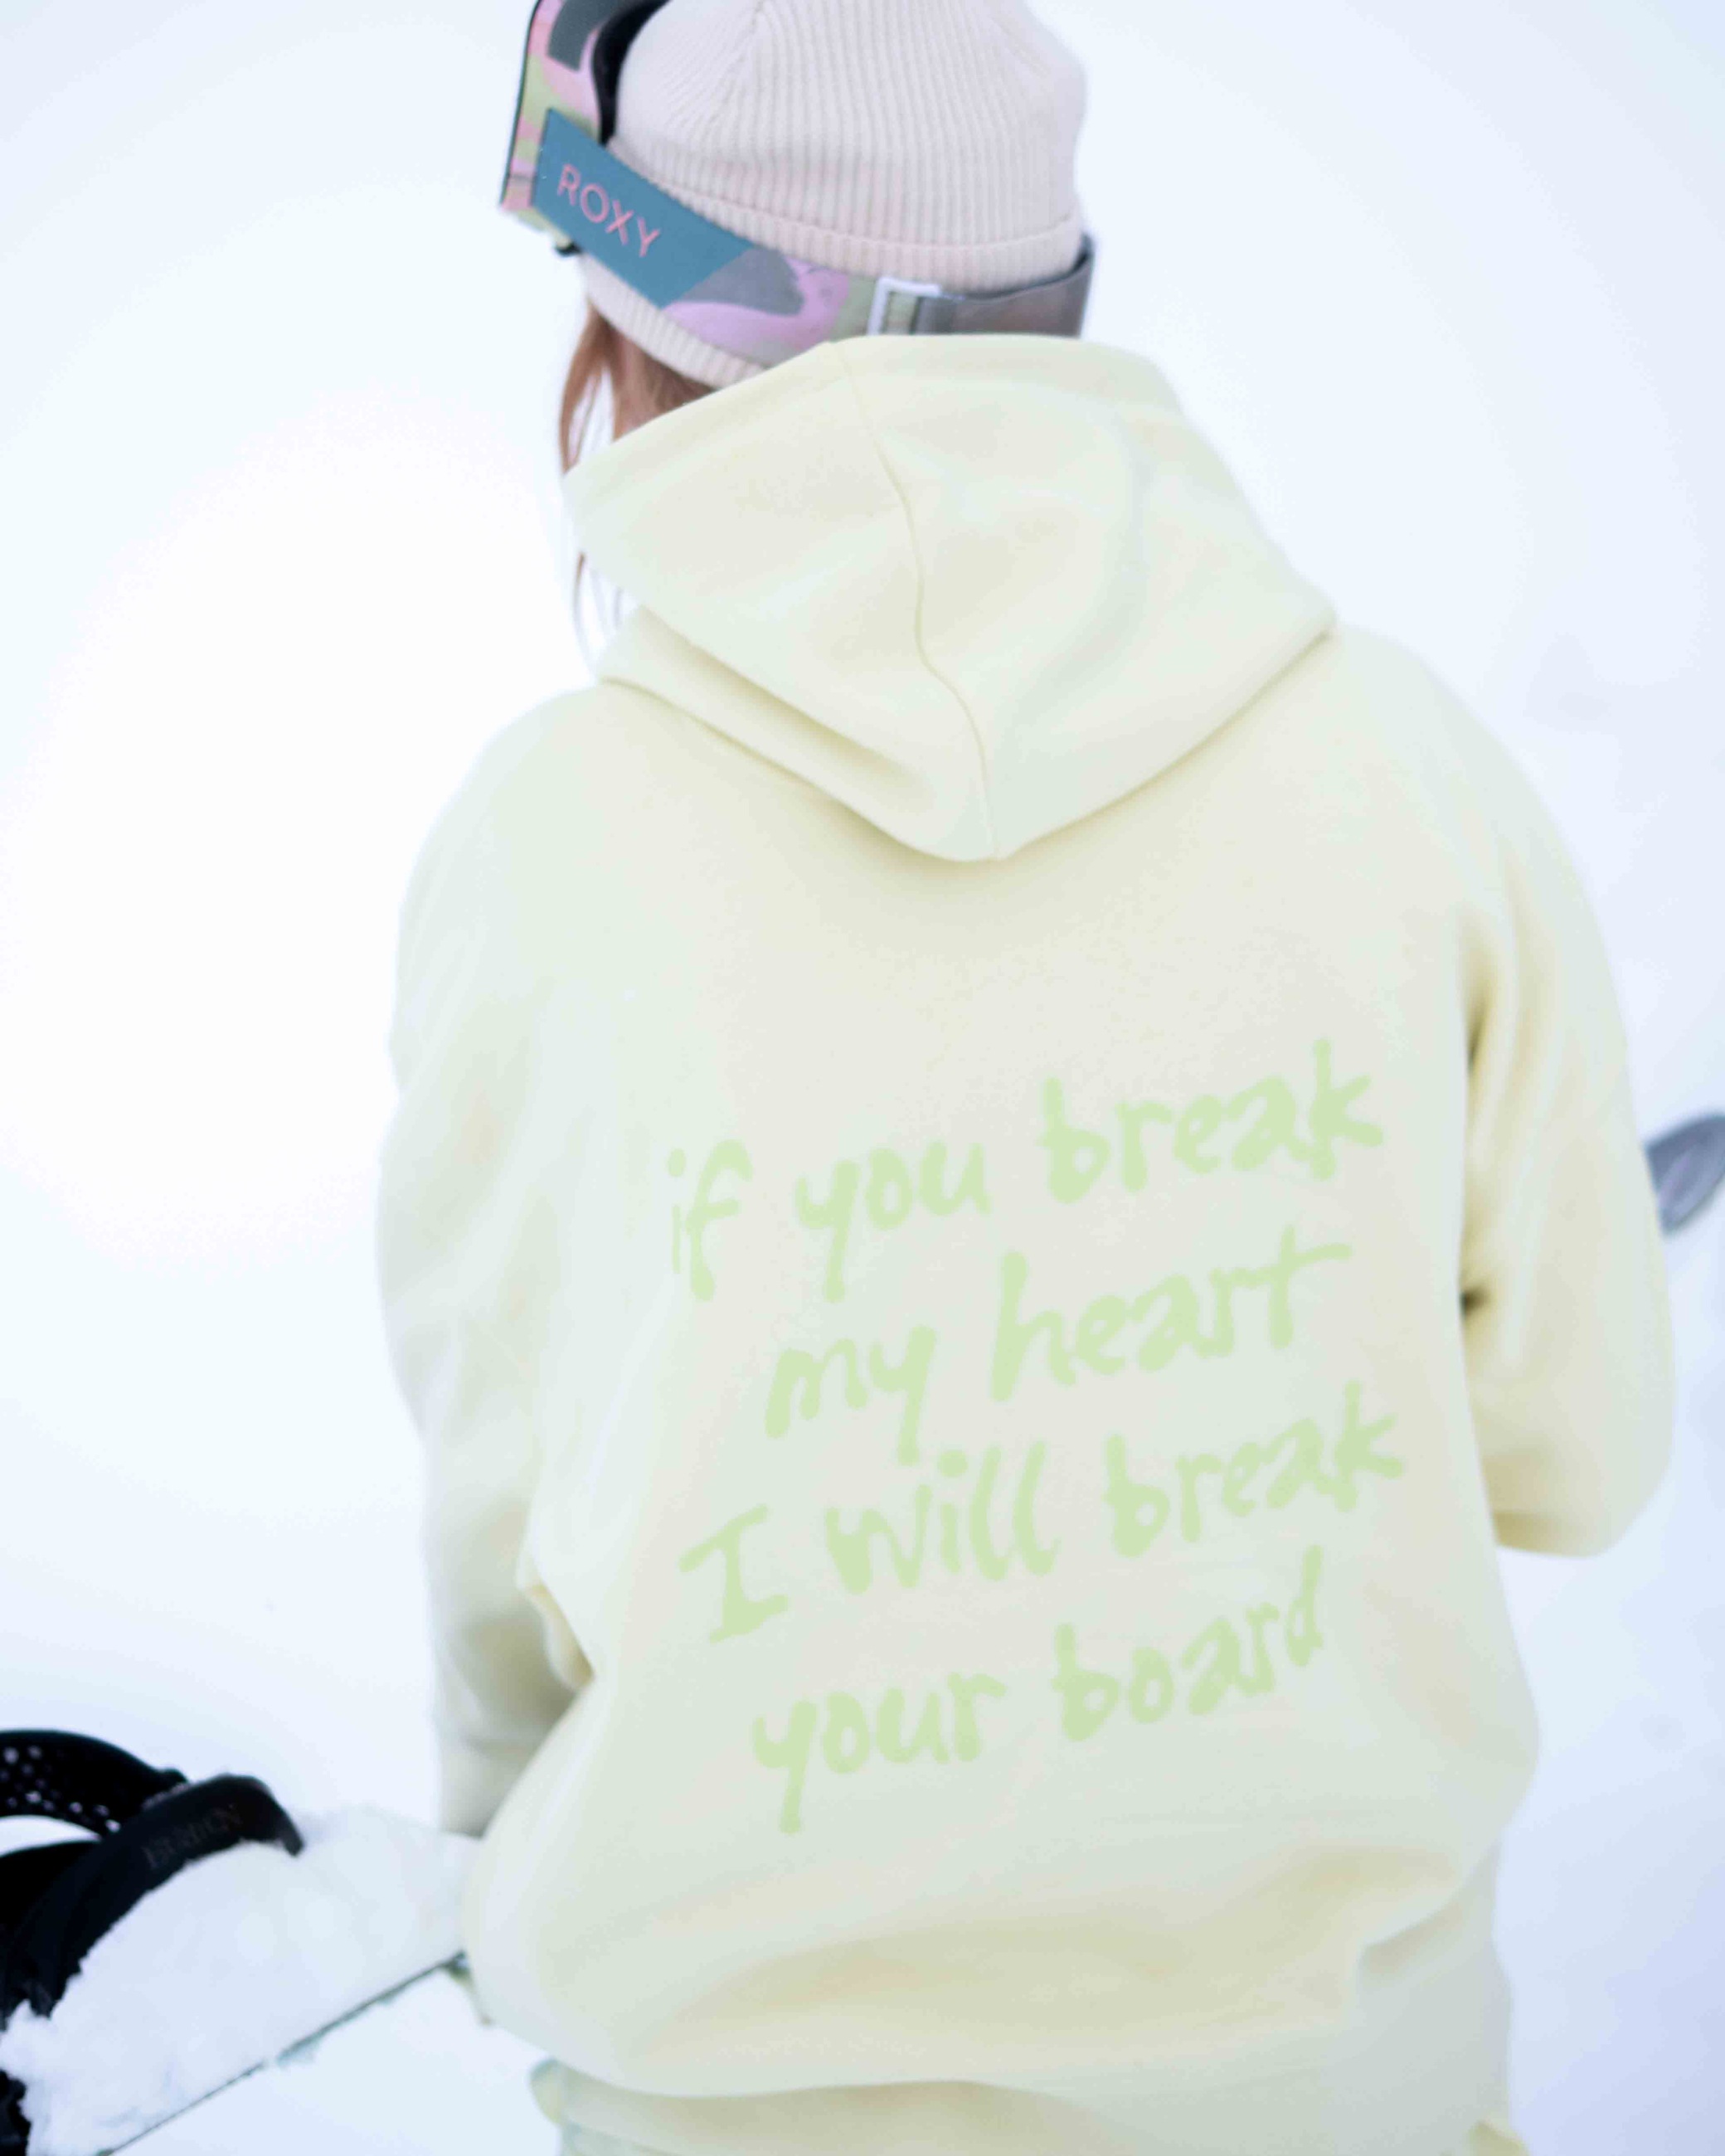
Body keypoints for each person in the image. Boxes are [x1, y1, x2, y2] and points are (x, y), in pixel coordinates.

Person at [372, 3, 1676, 2153]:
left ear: (631, 335)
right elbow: (1577, 1452)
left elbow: (512, 1601)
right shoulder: (1406, 771)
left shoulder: (540, 849)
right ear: (1046, 298)